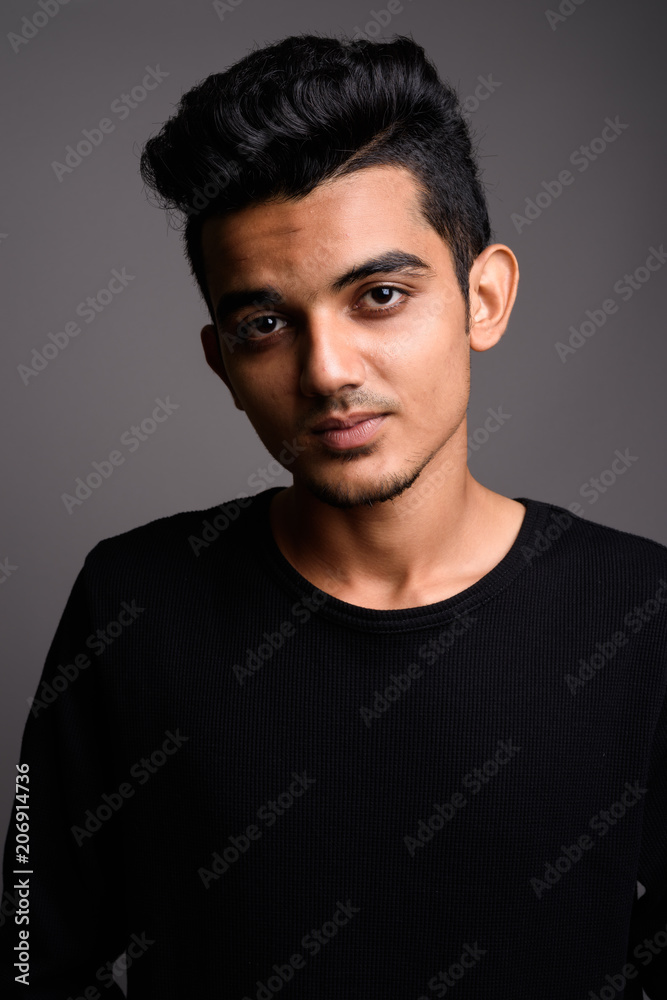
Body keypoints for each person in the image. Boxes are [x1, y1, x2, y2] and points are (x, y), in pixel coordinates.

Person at [1, 32, 666, 999]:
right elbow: (28, 949)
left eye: (380, 296)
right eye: (265, 324)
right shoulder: (130, 602)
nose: (326, 371)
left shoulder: (638, 610)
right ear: (221, 362)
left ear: (483, 297)